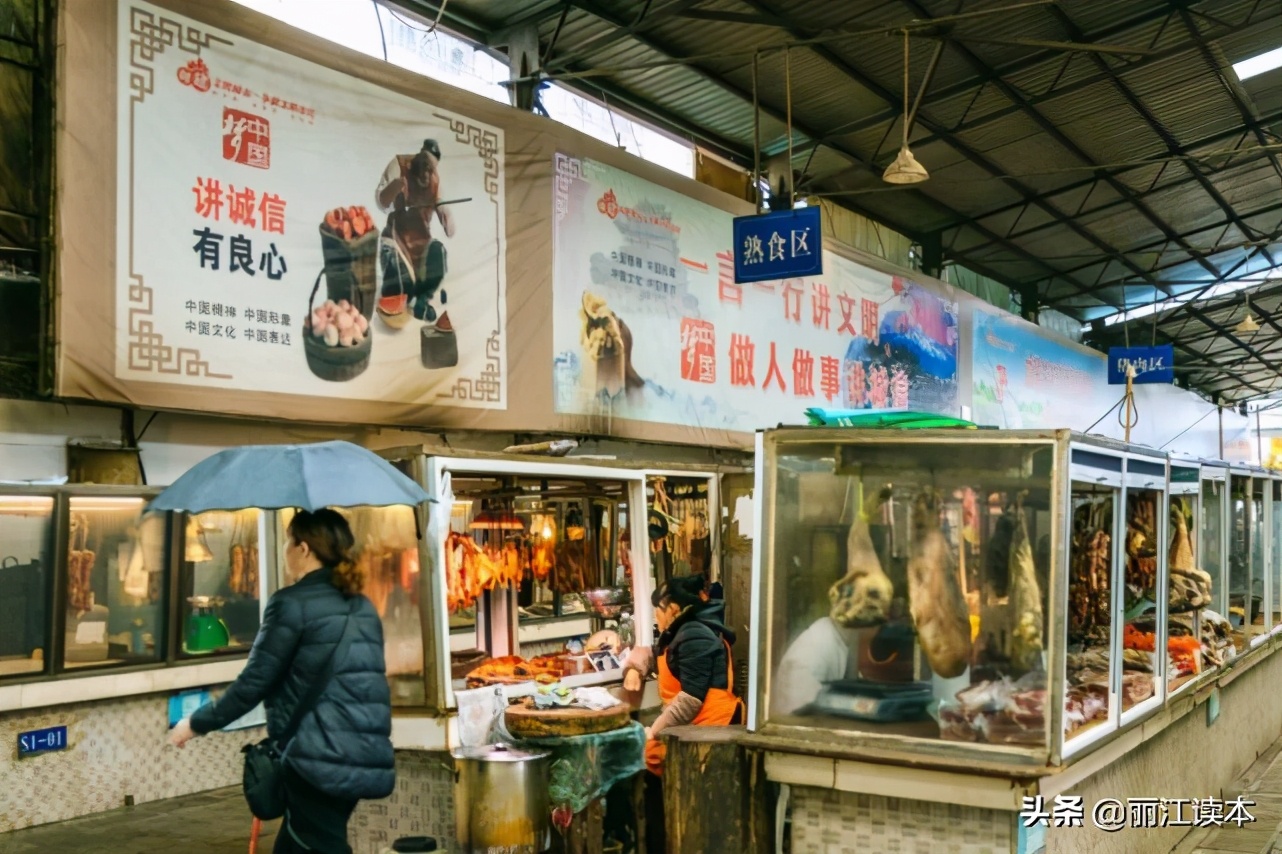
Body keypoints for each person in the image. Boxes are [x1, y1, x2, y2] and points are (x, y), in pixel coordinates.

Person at [169, 509, 395, 854]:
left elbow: (254, 682)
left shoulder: (290, 603)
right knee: (300, 842)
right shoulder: (362, 606)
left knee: (317, 844)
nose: (285, 550)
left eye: (289, 542)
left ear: (304, 549)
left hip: (316, 755)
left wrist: (196, 723)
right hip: (362, 751)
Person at [622, 574, 743, 854]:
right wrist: (634, 669)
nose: (656, 617)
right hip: (692, 733)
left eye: (658, 611)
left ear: (673, 609)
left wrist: (653, 731)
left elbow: (690, 700)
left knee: (693, 820)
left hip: (708, 737)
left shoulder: (694, 635)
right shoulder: (683, 630)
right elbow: (651, 651)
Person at [376, 139, 455, 322]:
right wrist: (395, 186)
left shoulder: (434, 180)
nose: (427, 173)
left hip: (421, 245)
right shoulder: (399, 164)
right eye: (424, 165)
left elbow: (442, 207)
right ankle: (402, 297)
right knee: (398, 284)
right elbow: (381, 202)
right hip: (395, 240)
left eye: (431, 169)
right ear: (418, 157)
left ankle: (421, 301)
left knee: (439, 253)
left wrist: (445, 215)